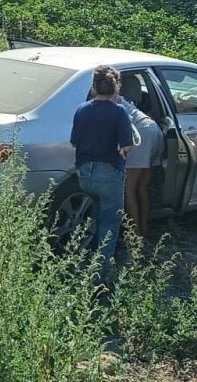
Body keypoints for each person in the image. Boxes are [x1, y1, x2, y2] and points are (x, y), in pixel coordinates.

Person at [69, 65, 134, 284]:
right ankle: (100, 274)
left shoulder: (81, 109)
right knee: (110, 222)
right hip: (109, 173)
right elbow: (127, 146)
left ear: (94, 87)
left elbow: (74, 141)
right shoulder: (119, 112)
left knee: (92, 216)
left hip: (84, 172)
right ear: (116, 87)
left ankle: (79, 259)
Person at [118, 79, 164, 242]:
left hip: (141, 133)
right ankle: (143, 229)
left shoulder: (110, 101)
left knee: (129, 188)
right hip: (152, 129)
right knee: (142, 187)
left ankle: (135, 235)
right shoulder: (121, 99)